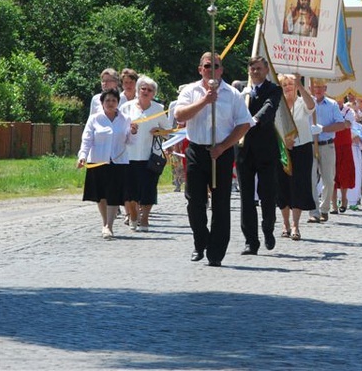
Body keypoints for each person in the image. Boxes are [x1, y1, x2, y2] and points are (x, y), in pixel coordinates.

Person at [175, 52, 253, 267]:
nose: (212, 70)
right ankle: (200, 241)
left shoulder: (233, 94)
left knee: (221, 202)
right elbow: (180, 115)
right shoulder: (191, 91)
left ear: (222, 70)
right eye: (207, 66)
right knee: (195, 201)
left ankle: (216, 252)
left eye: (216, 66)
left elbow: (244, 123)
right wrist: (204, 100)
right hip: (196, 150)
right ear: (200, 69)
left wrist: (223, 146)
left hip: (222, 151)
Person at [235, 56, 283, 255]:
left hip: (265, 148)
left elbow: (270, 107)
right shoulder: (240, 91)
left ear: (266, 70)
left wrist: (253, 119)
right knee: (246, 197)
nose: (255, 72)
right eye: (252, 69)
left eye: (259, 69)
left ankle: (268, 227)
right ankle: (250, 241)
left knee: (267, 194)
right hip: (243, 148)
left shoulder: (274, 89)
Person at [77, 88, 138, 239]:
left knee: (114, 194)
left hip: (119, 162)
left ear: (118, 102)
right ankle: (104, 222)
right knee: (101, 195)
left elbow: (130, 142)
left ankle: (109, 226)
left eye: (114, 100)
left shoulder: (125, 119)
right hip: (98, 161)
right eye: (107, 101)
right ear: (102, 103)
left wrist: (133, 132)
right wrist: (82, 156)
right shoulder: (94, 119)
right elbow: (87, 139)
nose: (110, 103)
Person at [119, 75, 170, 232]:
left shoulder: (158, 109)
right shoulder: (126, 107)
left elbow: (168, 132)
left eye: (150, 90)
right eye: (143, 89)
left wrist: (159, 132)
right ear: (137, 90)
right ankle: (133, 214)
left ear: (154, 93)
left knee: (149, 188)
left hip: (149, 157)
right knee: (130, 189)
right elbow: (118, 130)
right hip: (129, 155)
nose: (146, 92)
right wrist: (129, 130)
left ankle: (145, 217)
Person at [276, 73, 316, 241]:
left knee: (299, 186)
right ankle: (285, 223)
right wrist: (284, 142)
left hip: (302, 149)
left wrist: (300, 86)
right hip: (281, 149)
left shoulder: (302, 103)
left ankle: (295, 225)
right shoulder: (277, 105)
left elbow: (311, 106)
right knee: (282, 186)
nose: (288, 87)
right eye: (284, 85)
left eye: (290, 84)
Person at [308, 79, 349, 222]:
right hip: (310, 145)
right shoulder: (306, 103)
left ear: (325, 88)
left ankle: (324, 208)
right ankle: (314, 211)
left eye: (320, 87)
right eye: (315, 87)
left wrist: (323, 129)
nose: (317, 90)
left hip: (327, 145)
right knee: (311, 179)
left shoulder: (332, 105)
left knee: (328, 179)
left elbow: (341, 125)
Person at [331, 98, 356, 213]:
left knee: (344, 172)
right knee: (332, 173)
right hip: (332, 143)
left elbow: (347, 124)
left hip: (345, 145)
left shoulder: (348, 111)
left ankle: (344, 198)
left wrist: (338, 120)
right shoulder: (330, 108)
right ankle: (333, 203)